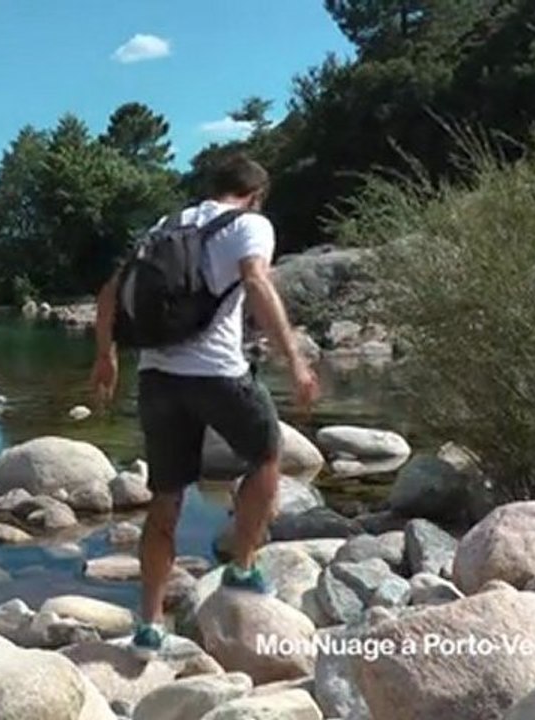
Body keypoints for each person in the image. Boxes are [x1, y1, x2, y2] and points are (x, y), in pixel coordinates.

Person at [90, 154, 319, 659]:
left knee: (165, 500)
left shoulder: (164, 225)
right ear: (256, 194)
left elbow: (108, 295)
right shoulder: (251, 224)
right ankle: (242, 567)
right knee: (266, 456)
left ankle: (149, 624)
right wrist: (297, 362)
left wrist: (106, 357)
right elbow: (257, 282)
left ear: (212, 188)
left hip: (156, 379)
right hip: (217, 374)